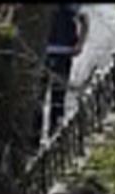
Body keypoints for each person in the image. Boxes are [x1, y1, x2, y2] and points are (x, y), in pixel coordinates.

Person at [32, 3, 89, 147]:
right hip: (43, 52)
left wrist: (80, 44)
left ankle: (55, 135)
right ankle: (35, 138)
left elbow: (84, 19)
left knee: (57, 94)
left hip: (63, 51)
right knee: (38, 96)